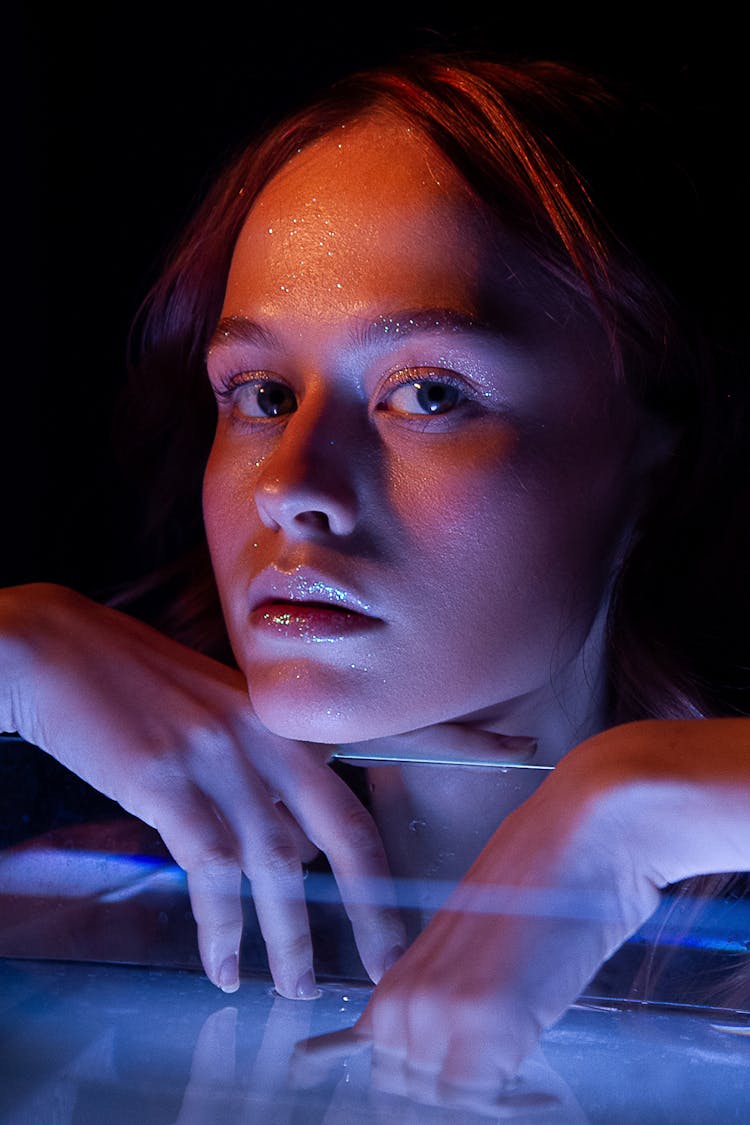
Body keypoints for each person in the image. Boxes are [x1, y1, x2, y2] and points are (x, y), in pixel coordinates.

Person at [1, 52, 748, 1093]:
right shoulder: (65, 928)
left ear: (651, 457)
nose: (292, 485)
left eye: (429, 393)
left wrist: (628, 811)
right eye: (261, 394)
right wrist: (11, 653)